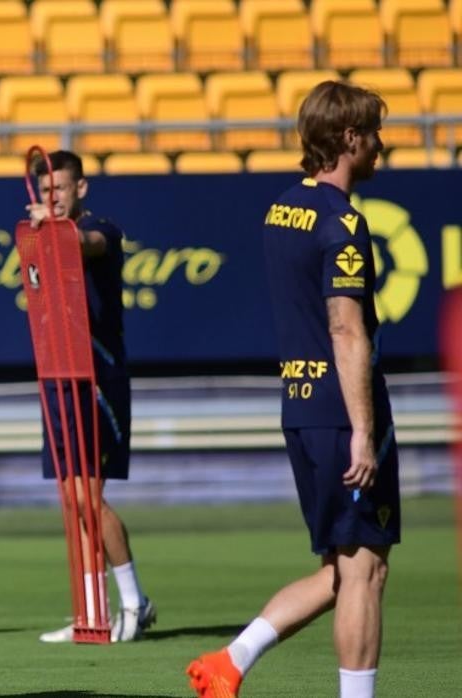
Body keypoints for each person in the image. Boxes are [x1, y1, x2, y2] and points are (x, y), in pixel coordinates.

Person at [187, 80, 397, 698]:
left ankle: (230, 661)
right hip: (341, 412)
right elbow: (345, 326)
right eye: (374, 133)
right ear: (350, 139)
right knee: (367, 569)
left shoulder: (282, 207)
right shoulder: (343, 223)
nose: (381, 146)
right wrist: (364, 430)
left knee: (342, 569)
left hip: (300, 406)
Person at [28, 151, 155, 644]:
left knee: (88, 496)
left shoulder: (100, 228)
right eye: (45, 190)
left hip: (97, 373)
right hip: (59, 373)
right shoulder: (39, 233)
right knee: (71, 497)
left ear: (80, 188)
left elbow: (89, 244)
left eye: (60, 188)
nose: (52, 197)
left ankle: (133, 603)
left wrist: (57, 230)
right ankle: (93, 611)